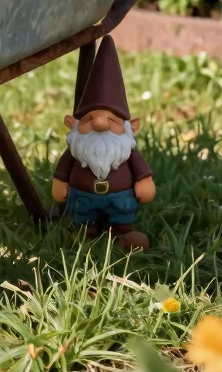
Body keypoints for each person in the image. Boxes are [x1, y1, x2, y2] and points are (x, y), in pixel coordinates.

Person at [52, 36, 155, 250]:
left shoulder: (127, 152)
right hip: (83, 198)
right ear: (71, 123)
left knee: (121, 218)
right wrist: (60, 183)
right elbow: (63, 170)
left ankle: (122, 232)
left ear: (131, 127)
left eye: (112, 120)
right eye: (89, 119)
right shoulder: (76, 151)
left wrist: (144, 182)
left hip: (120, 200)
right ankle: (85, 232)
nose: (100, 124)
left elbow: (140, 170)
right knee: (83, 219)